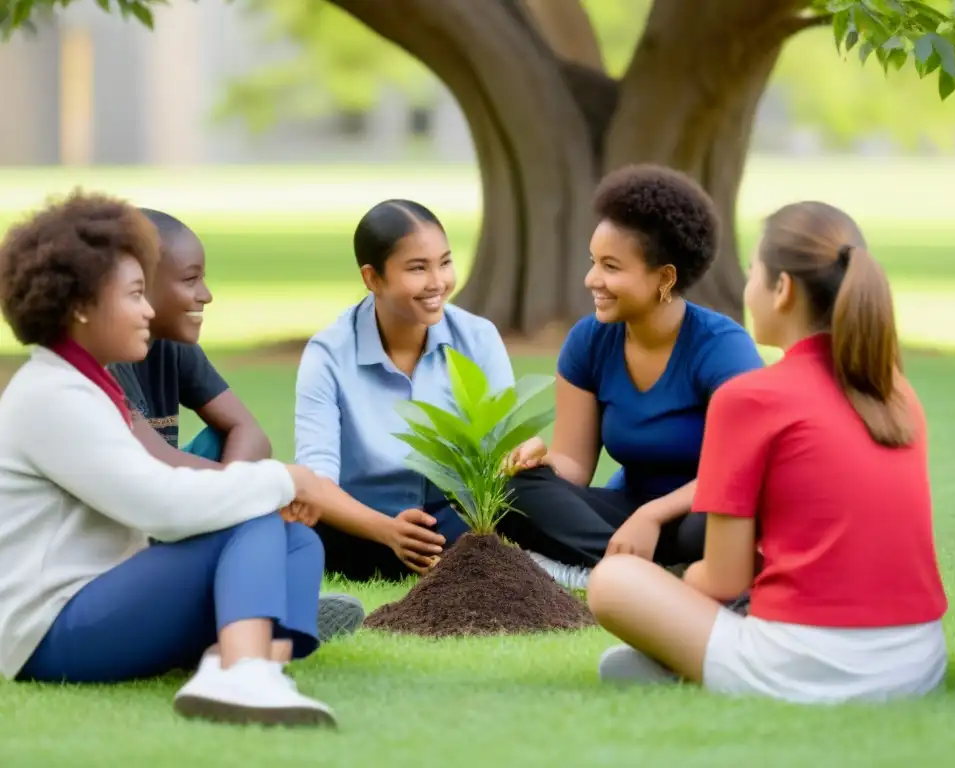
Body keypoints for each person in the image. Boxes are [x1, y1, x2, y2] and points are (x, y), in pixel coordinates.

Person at [0, 191, 356, 727]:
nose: (148, 309)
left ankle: (237, 657)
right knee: (252, 507)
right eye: (135, 294)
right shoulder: (52, 396)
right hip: (50, 634)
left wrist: (271, 485)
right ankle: (245, 669)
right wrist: (283, 479)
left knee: (297, 537)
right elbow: (160, 508)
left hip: (101, 601)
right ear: (80, 306)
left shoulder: (84, 384)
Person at [586, 201, 949, 704]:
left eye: (753, 271)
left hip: (803, 663)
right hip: (919, 660)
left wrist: (679, 586)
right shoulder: (895, 391)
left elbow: (723, 578)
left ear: (783, 290)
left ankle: (691, 660)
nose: (746, 288)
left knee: (614, 580)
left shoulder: (749, 398)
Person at [501, 165, 764, 589]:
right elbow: (574, 465)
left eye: (611, 267)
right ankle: (648, 577)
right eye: (593, 263)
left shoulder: (723, 348)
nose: (592, 280)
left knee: (717, 523)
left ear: (665, 277)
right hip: (626, 512)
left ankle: (598, 570)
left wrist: (652, 515)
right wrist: (542, 461)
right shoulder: (589, 340)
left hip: (697, 511)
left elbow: (739, 471)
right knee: (515, 491)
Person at [107, 209, 364, 641]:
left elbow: (250, 432)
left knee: (298, 539)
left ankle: (266, 605)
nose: (205, 294)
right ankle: (257, 606)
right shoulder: (106, 361)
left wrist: (235, 489)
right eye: (189, 280)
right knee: (264, 517)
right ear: (139, 285)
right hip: (129, 523)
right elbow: (150, 463)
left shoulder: (171, 346)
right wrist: (259, 487)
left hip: (170, 503)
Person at [294, 199, 515, 580]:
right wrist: (388, 531)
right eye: (418, 268)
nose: (438, 282)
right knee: (293, 522)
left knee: (539, 492)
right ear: (372, 278)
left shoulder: (477, 338)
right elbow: (316, 481)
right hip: (361, 525)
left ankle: (567, 571)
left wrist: (522, 456)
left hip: (458, 519)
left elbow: (501, 449)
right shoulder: (328, 354)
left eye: (445, 262)